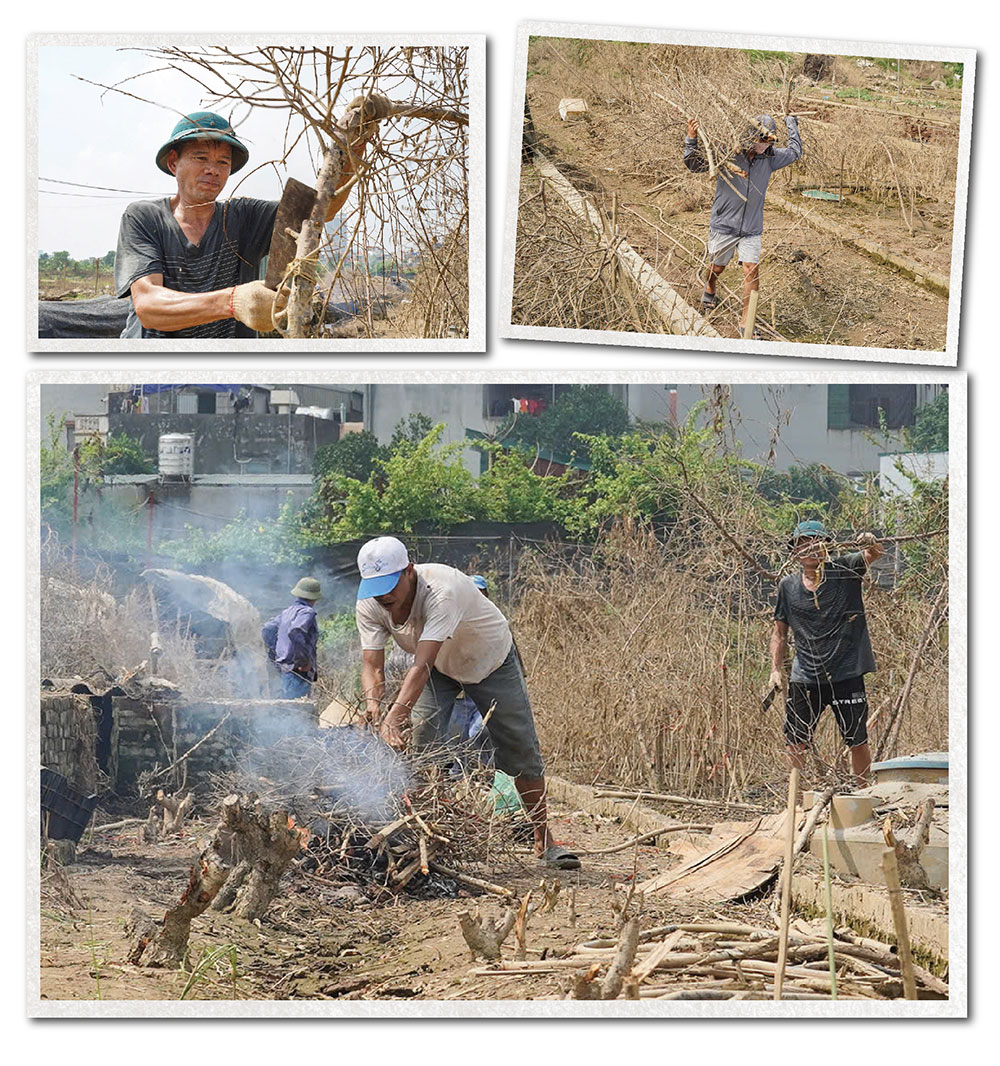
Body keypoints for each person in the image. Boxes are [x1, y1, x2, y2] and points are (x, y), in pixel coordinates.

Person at [355, 537, 580, 870]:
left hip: (487, 660)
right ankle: (426, 831)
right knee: (422, 739)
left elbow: (421, 664)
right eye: (375, 588)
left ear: (409, 572)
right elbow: (372, 665)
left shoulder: (442, 589)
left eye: (390, 585)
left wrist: (395, 715)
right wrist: (375, 706)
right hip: (438, 666)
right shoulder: (370, 604)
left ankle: (544, 838)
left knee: (519, 747)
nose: (384, 596)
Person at [114, 96, 389, 339]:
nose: (213, 169)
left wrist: (352, 148)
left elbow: (322, 211)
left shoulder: (243, 217)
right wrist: (233, 302)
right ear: (174, 163)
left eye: (223, 162)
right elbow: (149, 306)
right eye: (200, 158)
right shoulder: (145, 218)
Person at [769, 520, 883, 782]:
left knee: (857, 740)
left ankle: (863, 793)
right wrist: (775, 669)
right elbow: (779, 633)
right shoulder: (788, 586)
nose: (810, 548)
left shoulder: (845, 569)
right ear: (795, 551)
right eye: (803, 543)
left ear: (826, 547)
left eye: (815, 542)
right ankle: (796, 800)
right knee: (795, 741)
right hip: (806, 676)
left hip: (847, 672)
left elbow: (874, 553)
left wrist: (870, 541)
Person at [684, 112, 801, 336]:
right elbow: (693, 164)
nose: (764, 145)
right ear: (750, 136)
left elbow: (796, 151)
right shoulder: (730, 153)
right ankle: (709, 286)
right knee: (717, 267)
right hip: (724, 223)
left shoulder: (771, 158)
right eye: (761, 139)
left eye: (769, 141)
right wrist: (691, 137)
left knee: (751, 271)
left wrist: (791, 122)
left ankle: (746, 321)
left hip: (751, 228)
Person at [262, 577, 322, 699]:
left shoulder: (287, 612)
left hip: (285, 670)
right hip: (298, 672)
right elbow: (296, 631)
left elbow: (267, 629)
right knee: (297, 711)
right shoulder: (307, 612)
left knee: (287, 708)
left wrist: (277, 654)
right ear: (314, 597)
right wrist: (303, 661)